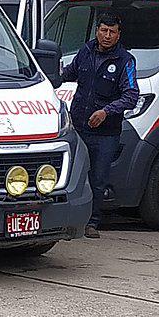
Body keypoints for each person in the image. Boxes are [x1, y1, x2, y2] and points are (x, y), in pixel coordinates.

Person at [60, 13, 139, 239]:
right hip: (78, 127)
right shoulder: (85, 51)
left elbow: (131, 95)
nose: (107, 35)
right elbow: (68, 74)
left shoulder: (125, 61)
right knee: (72, 175)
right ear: (97, 30)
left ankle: (92, 223)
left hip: (105, 133)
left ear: (118, 34)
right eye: (103, 30)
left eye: (112, 32)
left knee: (97, 179)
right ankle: (69, 221)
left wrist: (107, 111)